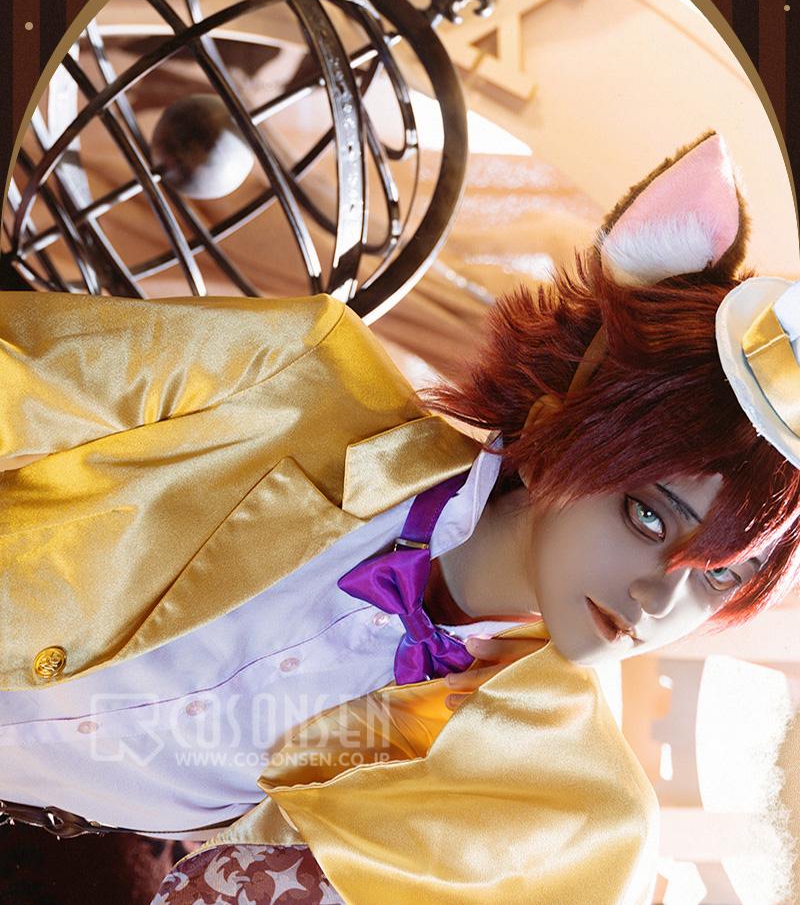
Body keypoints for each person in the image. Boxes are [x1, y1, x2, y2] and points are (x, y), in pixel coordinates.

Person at [2, 130, 799, 904]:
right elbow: (22, 372)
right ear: (563, 426)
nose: (660, 601)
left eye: (720, 576)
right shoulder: (299, 380)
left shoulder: (549, 791)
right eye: (648, 518)